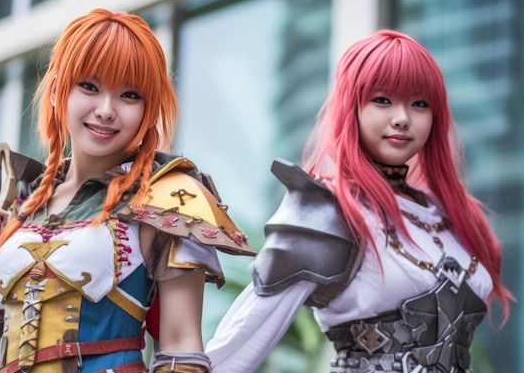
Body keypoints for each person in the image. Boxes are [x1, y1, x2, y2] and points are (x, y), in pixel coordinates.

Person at [0, 8, 255, 373]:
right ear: (57, 91)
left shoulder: (169, 198)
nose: (106, 110)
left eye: (129, 94)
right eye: (90, 87)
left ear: (149, 109)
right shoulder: (25, 205)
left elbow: (181, 346)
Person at [205, 29, 512, 373]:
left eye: (419, 103)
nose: (402, 117)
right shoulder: (327, 211)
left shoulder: (450, 216)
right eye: (382, 100)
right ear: (353, 107)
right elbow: (241, 340)